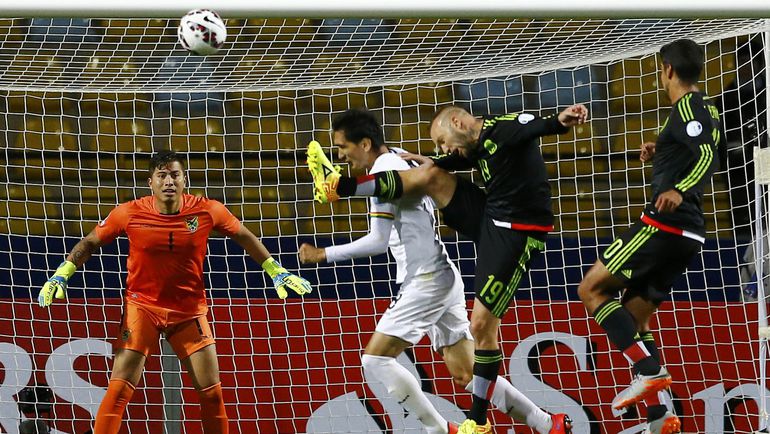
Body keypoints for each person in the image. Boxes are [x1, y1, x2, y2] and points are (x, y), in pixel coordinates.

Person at [307, 104, 587, 434]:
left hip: (425, 279)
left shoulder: (386, 171)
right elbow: (456, 159)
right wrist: (435, 159)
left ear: (364, 144)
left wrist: (324, 253)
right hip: (446, 270)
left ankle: (441, 431)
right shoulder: (397, 159)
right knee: (466, 373)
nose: (340, 155)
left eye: (342, 147)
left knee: (376, 360)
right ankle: (547, 423)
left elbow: (378, 240)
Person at [37, 150, 312, 434]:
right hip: (142, 308)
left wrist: (275, 269)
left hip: (188, 312)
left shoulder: (207, 210)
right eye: (162, 176)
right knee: (119, 388)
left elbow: (243, 235)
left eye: (175, 175)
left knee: (212, 394)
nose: (169, 181)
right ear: (151, 183)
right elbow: (90, 242)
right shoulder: (129, 212)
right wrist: (63, 272)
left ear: (184, 180)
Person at [576, 39, 721, 434]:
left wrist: (679, 189)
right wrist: (664, 150)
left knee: (590, 289)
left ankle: (648, 370)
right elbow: (704, 148)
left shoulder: (688, 106)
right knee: (635, 317)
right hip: (689, 234)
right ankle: (660, 417)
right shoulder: (704, 108)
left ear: (668, 70)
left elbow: (707, 155)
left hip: (664, 224)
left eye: (660, 69)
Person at [716, 38, 768, 301]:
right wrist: (743, 148)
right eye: (740, 62)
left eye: (749, 62)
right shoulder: (725, 99)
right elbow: (721, 142)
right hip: (739, 178)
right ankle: (748, 293)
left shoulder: (767, 92)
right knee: (746, 232)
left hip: (766, 175)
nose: (744, 67)